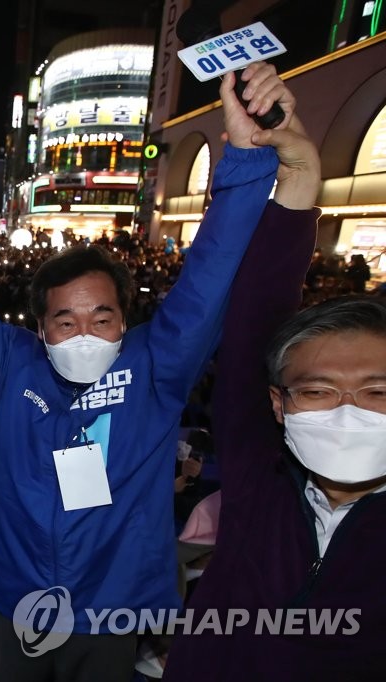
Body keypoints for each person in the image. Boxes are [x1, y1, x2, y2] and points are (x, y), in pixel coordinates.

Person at [0, 62, 293, 681]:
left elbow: (208, 280)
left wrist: (245, 163)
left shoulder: (156, 364)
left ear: (126, 320)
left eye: (102, 317)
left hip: (107, 606)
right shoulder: (12, 365)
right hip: (17, 598)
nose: (84, 332)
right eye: (66, 320)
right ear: (40, 327)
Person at [163, 94, 385, 679]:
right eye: (317, 391)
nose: (347, 411)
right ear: (279, 406)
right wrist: (298, 177)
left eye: (376, 392)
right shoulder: (258, 483)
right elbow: (252, 325)